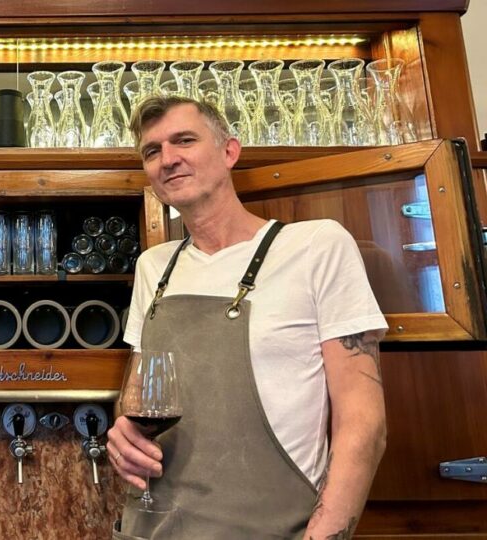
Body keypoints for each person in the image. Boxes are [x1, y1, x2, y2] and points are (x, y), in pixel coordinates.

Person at [106, 96, 387, 539]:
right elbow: (139, 395)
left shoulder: (316, 246)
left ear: (229, 151)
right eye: (152, 151)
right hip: (153, 528)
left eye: (184, 140)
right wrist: (124, 432)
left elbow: (363, 424)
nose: (168, 159)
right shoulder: (153, 267)